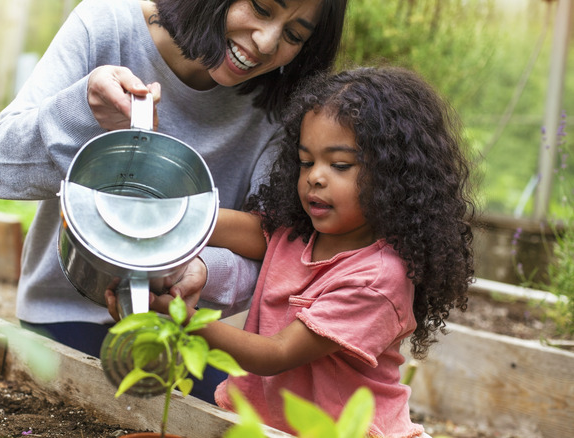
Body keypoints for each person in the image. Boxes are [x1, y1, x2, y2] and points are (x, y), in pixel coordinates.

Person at [108, 66, 475, 436]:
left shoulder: (378, 278)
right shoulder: (299, 232)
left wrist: (184, 322)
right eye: (306, 161)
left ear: (394, 177)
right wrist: (169, 218)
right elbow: (246, 230)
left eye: (340, 165)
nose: (315, 176)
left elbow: (277, 354)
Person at [0, 0, 347, 367]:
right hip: (62, 314)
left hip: (181, 334)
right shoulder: (108, 25)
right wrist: (84, 110)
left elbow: (273, 250)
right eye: (262, 9)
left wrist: (203, 268)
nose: (266, 42)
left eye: (294, 35)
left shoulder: (279, 109)